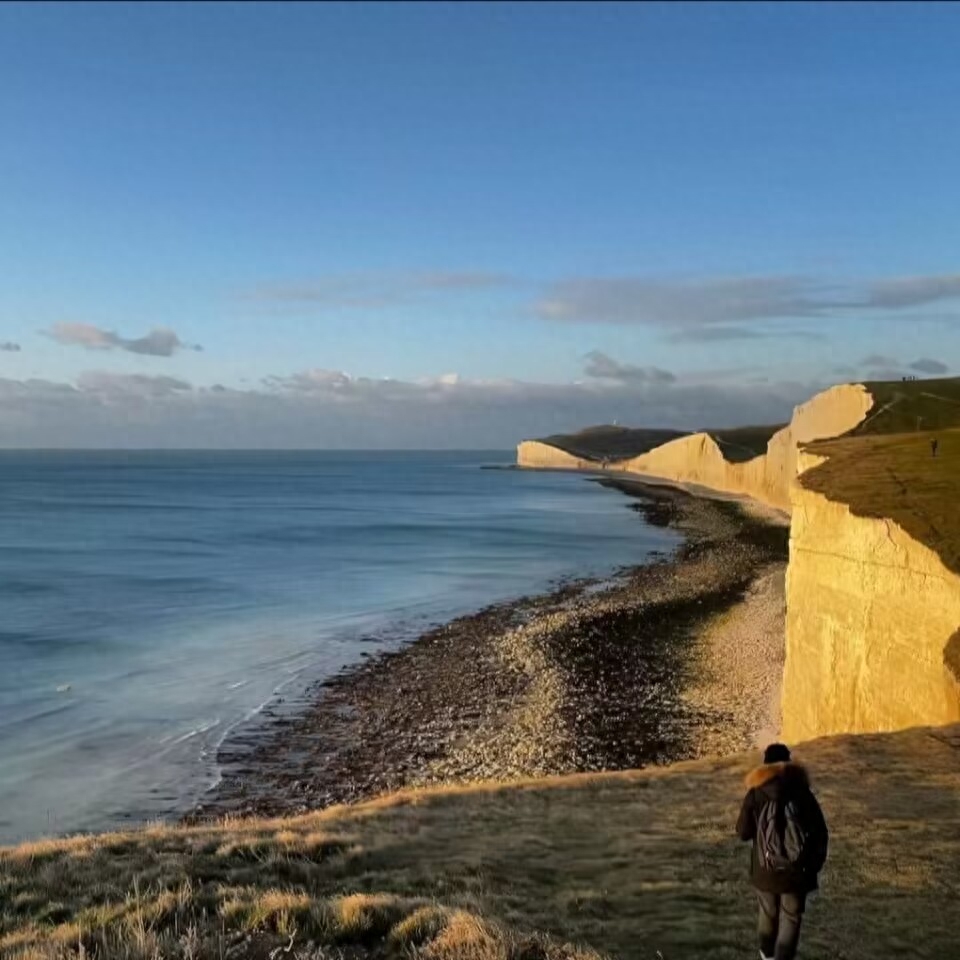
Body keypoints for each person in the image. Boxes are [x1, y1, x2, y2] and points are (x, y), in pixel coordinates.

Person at [736, 743, 829, 960]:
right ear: (788, 762)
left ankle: (767, 956)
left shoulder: (755, 793)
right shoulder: (802, 792)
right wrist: (813, 865)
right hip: (797, 871)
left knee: (768, 913)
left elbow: (743, 832)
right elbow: (820, 831)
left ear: (765, 764)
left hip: (764, 868)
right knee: (791, 917)